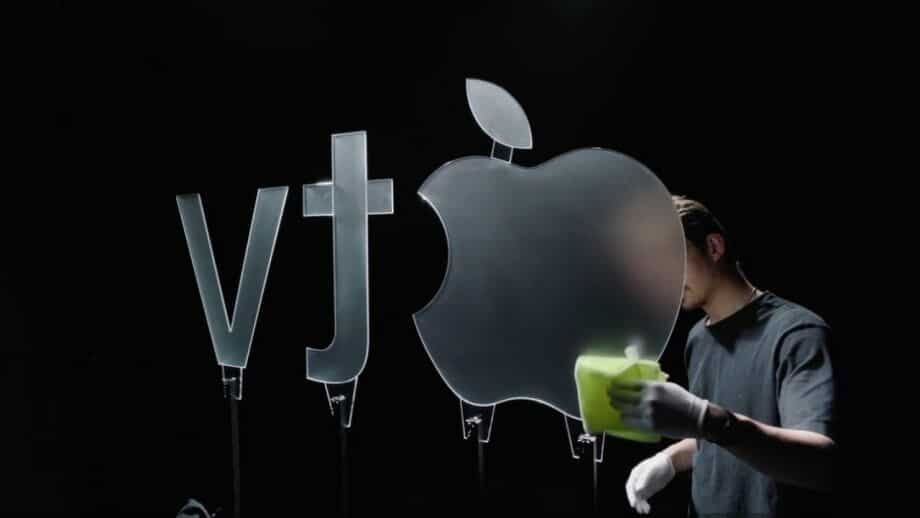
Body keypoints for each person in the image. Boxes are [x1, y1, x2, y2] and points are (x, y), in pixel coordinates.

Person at [608, 195, 837, 517]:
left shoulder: (797, 333)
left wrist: (705, 418)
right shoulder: (698, 338)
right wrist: (672, 458)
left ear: (714, 248)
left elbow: (819, 462)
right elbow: (724, 437)